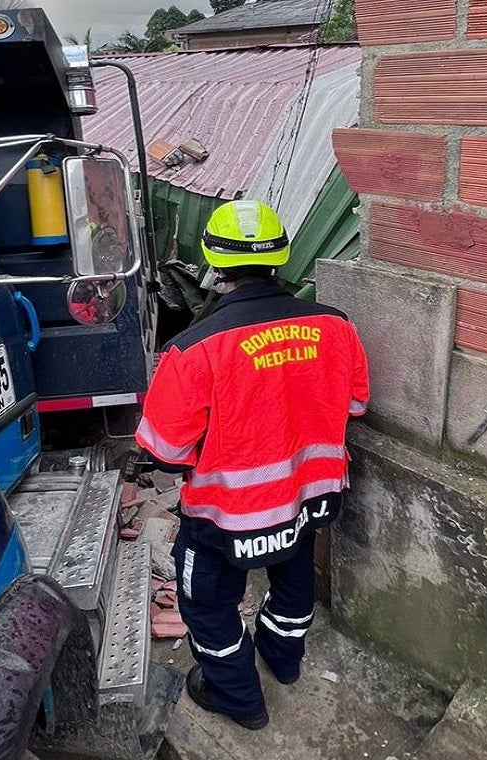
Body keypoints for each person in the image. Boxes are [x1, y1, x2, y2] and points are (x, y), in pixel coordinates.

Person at [135, 200, 370, 730]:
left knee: (208, 610)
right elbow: (354, 405)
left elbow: (162, 452)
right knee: (292, 583)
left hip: (224, 517)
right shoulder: (336, 326)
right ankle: (284, 664)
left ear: (213, 262)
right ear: (281, 257)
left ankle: (240, 700)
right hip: (311, 498)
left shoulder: (192, 350)